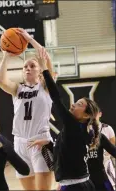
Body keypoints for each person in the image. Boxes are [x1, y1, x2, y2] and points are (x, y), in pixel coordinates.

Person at [0, 29, 56, 190]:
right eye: (25, 66)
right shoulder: (17, 89)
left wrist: (30, 40)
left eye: (32, 66)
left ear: (40, 72)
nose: (28, 68)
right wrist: (6, 56)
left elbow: (45, 56)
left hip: (40, 141)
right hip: (20, 143)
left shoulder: (46, 87)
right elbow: (0, 80)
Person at [38, 47, 99, 191]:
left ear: (86, 115)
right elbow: (66, 153)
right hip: (77, 184)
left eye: (79, 104)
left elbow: (56, 99)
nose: (73, 105)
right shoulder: (79, 129)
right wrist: (48, 143)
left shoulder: (75, 126)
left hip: (75, 186)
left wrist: (45, 69)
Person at [97, 111, 116, 190]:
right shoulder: (85, 129)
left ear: (100, 114)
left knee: (111, 184)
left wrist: (106, 154)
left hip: (105, 162)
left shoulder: (107, 128)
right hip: (92, 164)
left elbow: (112, 144)